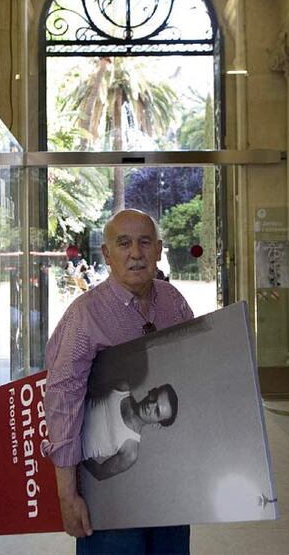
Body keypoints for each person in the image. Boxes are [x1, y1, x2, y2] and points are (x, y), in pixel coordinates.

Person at [44, 209, 194, 555]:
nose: (136, 253)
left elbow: (189, 369)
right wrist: (67, 493)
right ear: (107, 255)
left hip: (169, 498)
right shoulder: (86, 315)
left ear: (158, 250)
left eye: (144, 242)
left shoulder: (173, 303)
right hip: (109, 508)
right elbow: (62, 401)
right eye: (123, 243)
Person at [82, 383, 178, 481]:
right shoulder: (121, 388)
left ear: (157, 424)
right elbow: (88, 389)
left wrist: (77, 452)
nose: (150, 406)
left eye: (156, 411)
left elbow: (100, 473)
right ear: (152, 391)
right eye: (154, 397)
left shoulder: (131, 452)